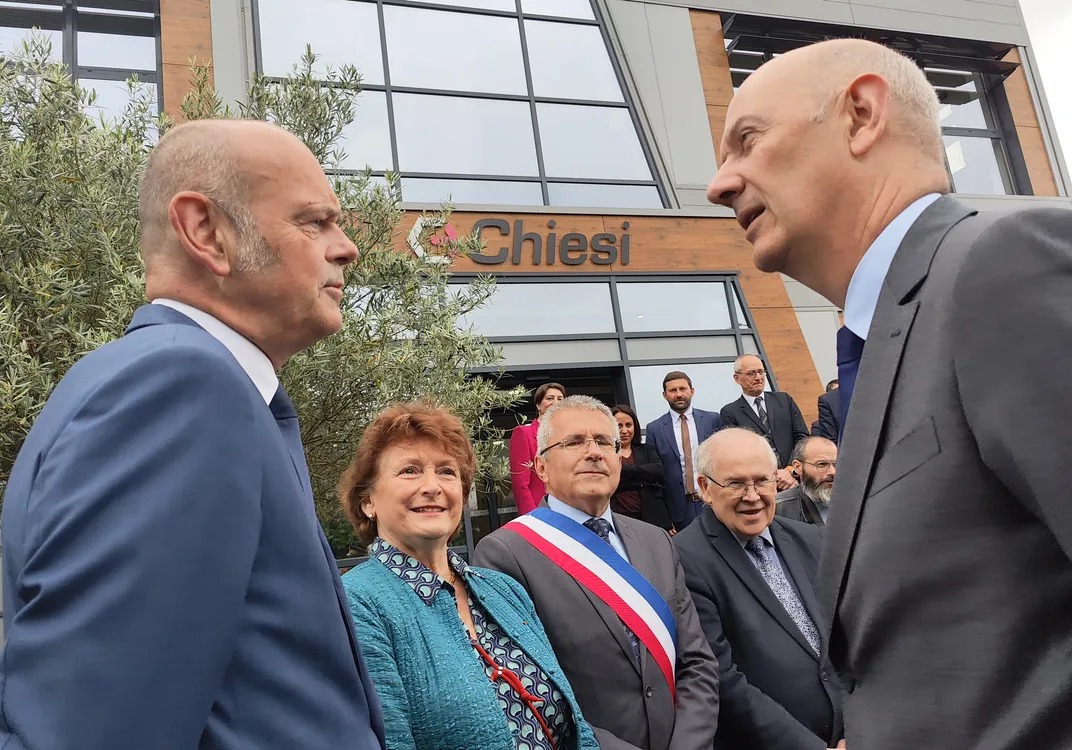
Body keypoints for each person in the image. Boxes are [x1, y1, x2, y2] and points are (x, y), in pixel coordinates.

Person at [707, 36, 1072, 748]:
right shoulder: (882, 341)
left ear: (861, 114)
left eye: (747, 141)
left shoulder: (1004, 270)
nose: (720, 183)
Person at [0, 120, 384, 748]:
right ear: (206, 231)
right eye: (314, 221)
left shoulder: (166, 382)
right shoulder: (181, 385)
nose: (346, 248)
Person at [339, 403, 599, 750]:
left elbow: (576, 724)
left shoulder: (504, 590)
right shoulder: (355, 604)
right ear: (367, 501)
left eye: (447, 472)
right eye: (410, 471)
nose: (433, 486)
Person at [475, 396, 719, 750]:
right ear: (541, 468)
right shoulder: (504, 553)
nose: (594, 452)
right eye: (574, 442)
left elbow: (697, 661)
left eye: (605, 442)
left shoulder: (656, 540)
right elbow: (531, 693)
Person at [676, 429, 842, 750]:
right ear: (705, 488)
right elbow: (721, 678)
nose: (752, 496)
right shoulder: (684, 559)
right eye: (736, 483)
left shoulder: (809, 540)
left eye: (762, 481)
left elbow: (846, 636)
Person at [644, 371, 722, 529]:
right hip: (679, 510)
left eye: (682, 389)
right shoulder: (655, 429)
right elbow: (655, 477)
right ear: (664, 395)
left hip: (713, 502)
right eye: (673, 391)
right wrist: (664, 517)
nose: (678, 394)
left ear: (692, 391)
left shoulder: (712, 420)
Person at [719, 354, 808, 490]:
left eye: (761, 372)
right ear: (737, 378)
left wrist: (790, 469)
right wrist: (772, 475)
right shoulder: (730, 412)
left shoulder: (784, 400)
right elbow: (738, 453)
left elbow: (802, 438)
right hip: (761, 485)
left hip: (795, 479)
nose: (758, 377)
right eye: (751, 373)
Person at [611, 404, 673, 532]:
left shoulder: (647, 450)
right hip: (621, 520)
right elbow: (611, 481)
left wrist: (623, 469)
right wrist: (643, 478)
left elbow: (658, 472)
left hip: (652, 518)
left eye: (628, 425)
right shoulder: (606, 453)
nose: (624, 431)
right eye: (619, 426)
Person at [510, 382, 566, 514]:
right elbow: (520, 485)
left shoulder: (568, 435)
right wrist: (532, 517)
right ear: (538, 405)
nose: (556, 402)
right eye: (550, 398)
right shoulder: (523, 433)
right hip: (540, 510)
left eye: (560, 399)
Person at [774, 437, 837, 527]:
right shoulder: (779, 508)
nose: (833, 472)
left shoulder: (853, 501)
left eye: (836, 464)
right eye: (822, 464)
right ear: (798, 467)